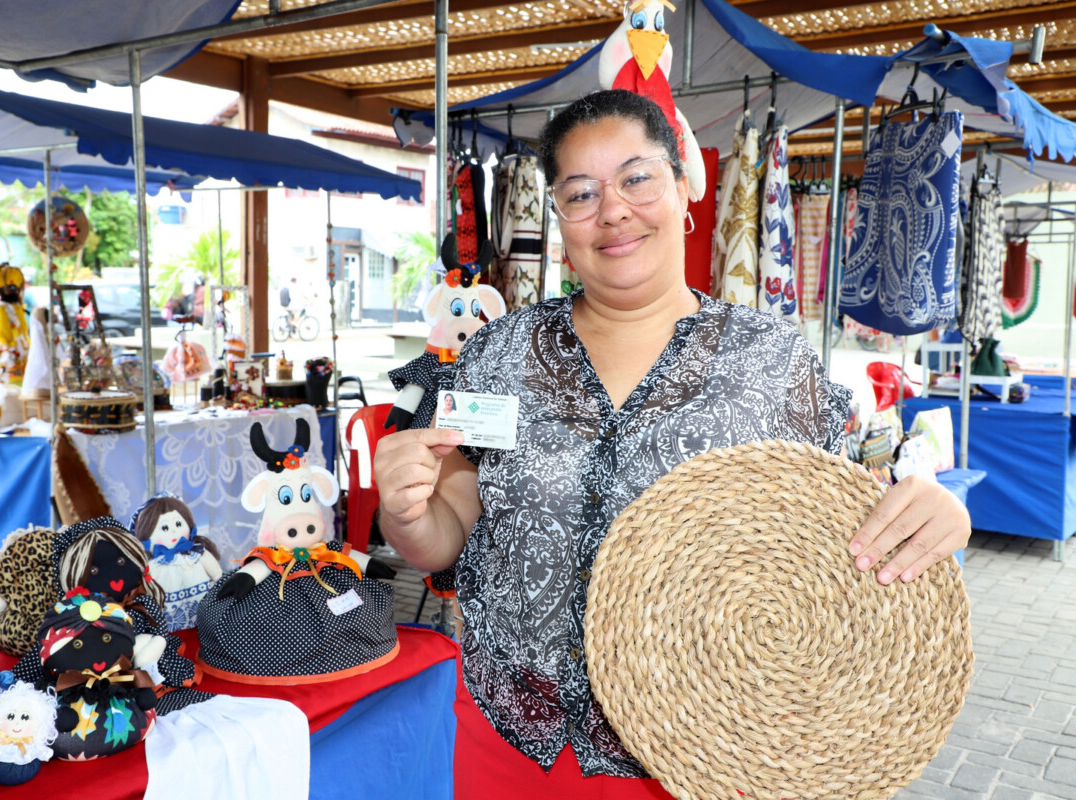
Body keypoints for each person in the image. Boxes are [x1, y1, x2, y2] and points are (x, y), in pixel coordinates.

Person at [373, 90, 971, 798]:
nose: (613, 210)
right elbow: (448, 531)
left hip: (707, 757)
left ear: (684, 186)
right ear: (558, 218)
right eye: (581, 193)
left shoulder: (771, 361)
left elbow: (839, 545)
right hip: (513, 739)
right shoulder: (498, 355)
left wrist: (934, 515)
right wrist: (407, 517)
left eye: (637, 178)